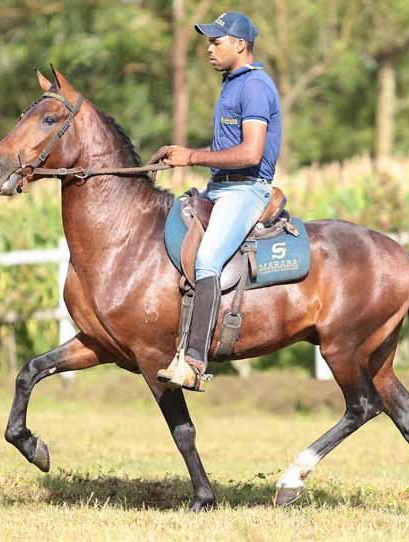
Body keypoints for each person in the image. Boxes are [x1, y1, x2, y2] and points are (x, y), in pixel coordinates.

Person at [157, 11, 282, 392]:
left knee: (208, 259)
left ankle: (194, 362)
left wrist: (191, 157)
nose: (209, 49)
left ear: (240, 45)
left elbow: (250, 153)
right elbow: (227, 149)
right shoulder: (231, 84)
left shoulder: (256, 86)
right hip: (220, 187)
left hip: (247, 189)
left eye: (217, 41)